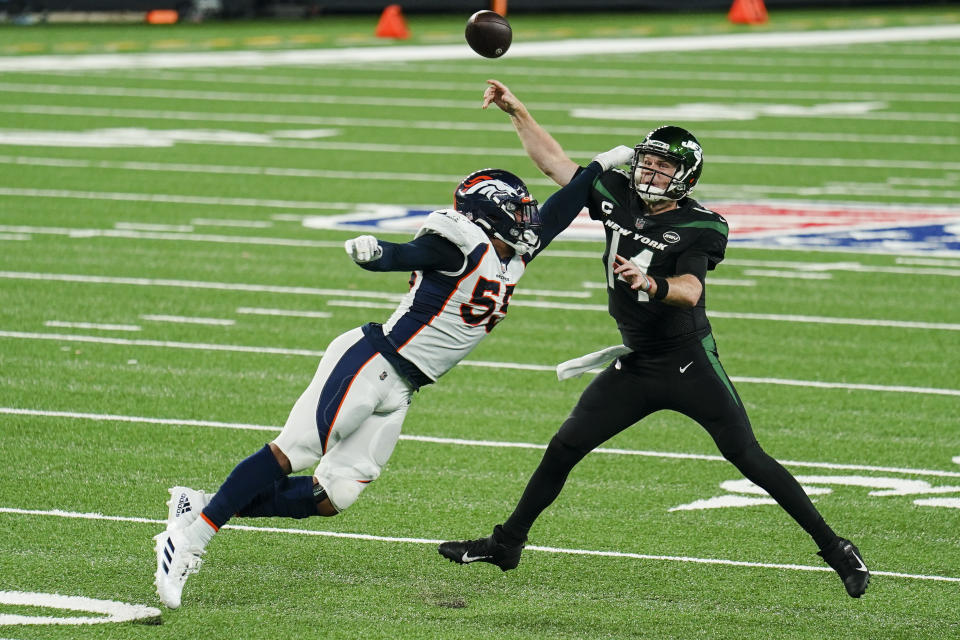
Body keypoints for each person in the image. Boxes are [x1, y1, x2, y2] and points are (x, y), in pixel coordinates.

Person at [438, 79, 870, 599]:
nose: (650, 171)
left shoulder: (701, 225)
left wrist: (651, 283)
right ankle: (506, 544)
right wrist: (517, 111)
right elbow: (554, 163)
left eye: (664, 166)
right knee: (565, 446)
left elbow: (689, 291)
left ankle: (836, 548)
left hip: (687, 360)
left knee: (747, 455)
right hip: (638, 362)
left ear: (685, 177)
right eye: (648, 161)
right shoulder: (618, 194)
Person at [153, 151, 639, 609]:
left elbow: (563, 205)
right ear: (489, 212)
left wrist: (603, 162)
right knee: (294, 452)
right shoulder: (459, 244)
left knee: (333, 496)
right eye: (518, 209)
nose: (529, 218)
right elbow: (408, 253)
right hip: (372, 362)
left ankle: (199, 505)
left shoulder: (512, 255)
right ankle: (188, 540)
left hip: (404, 386)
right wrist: (375, 254)